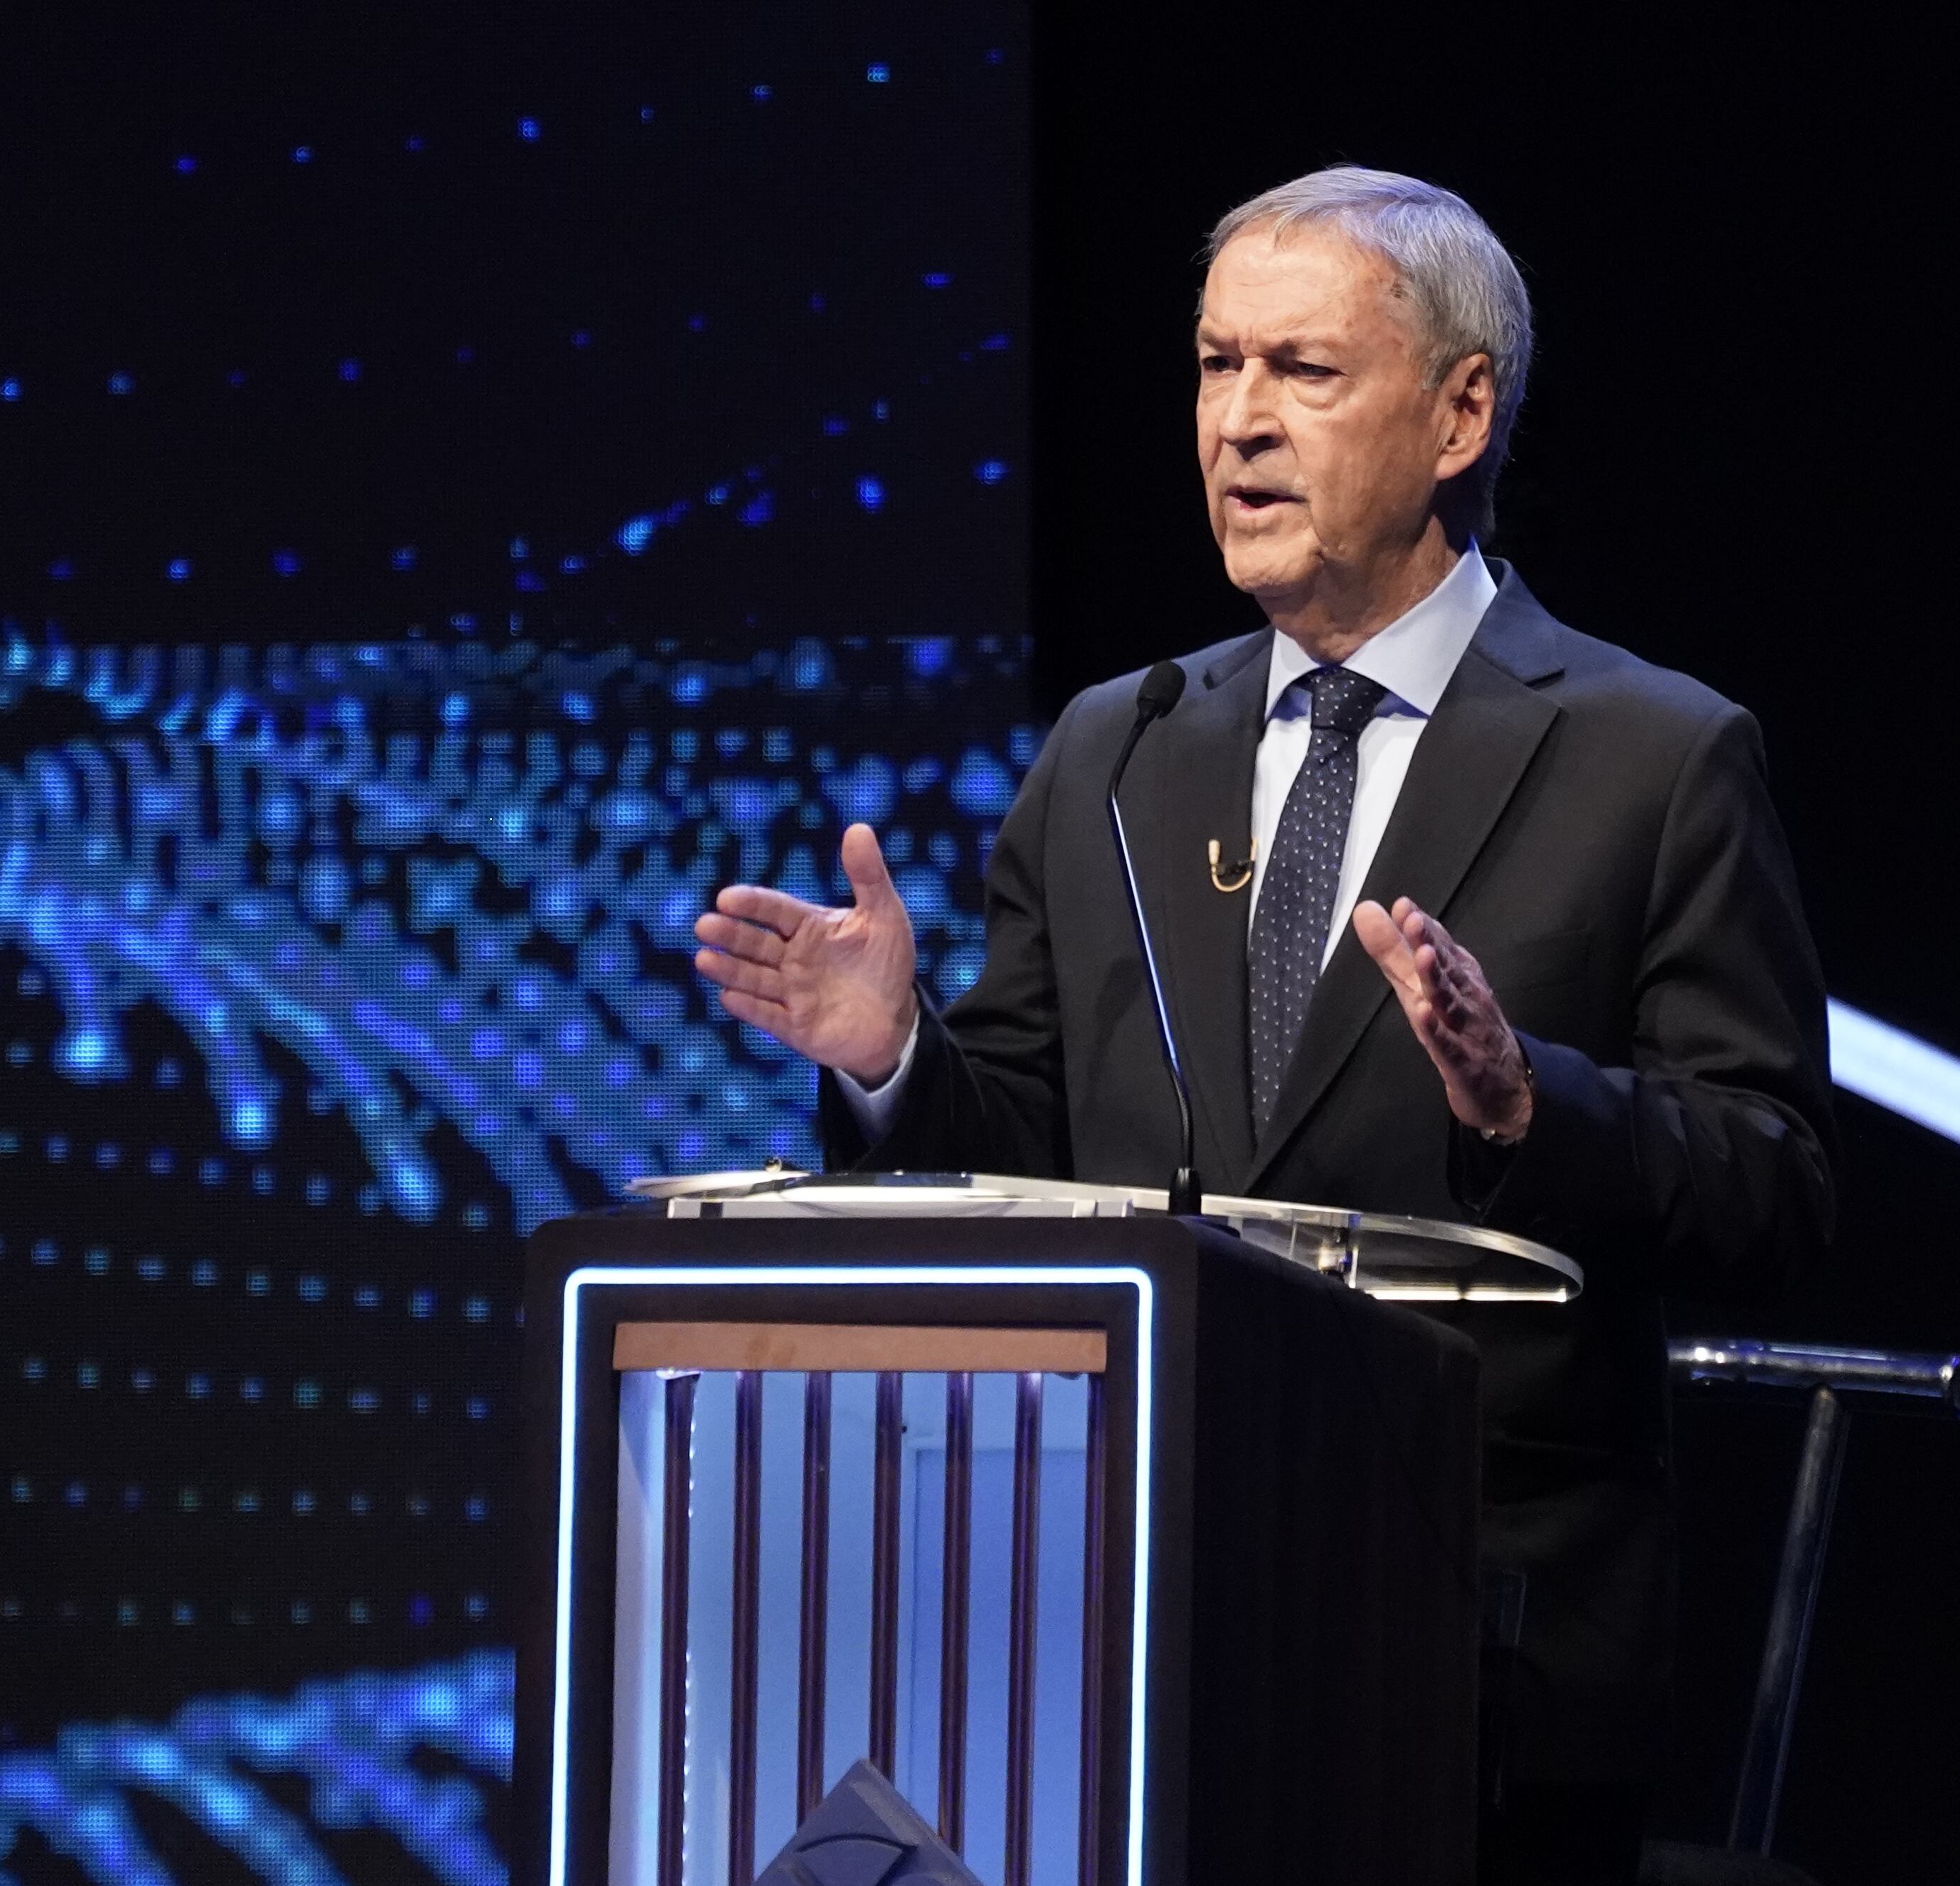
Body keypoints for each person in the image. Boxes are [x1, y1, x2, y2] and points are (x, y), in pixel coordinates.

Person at [693, 164, 1836, 1885]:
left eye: (1300, 372)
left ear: (1461, 413)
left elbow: (1776, 1185)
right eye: (1215, 367)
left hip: (1473, 1627)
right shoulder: (1115, 746)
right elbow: (1028, 1145)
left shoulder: (1649, 755)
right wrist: (893, 1057)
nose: (1236, 425)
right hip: (1110, 1604)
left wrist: (1536, 1106)